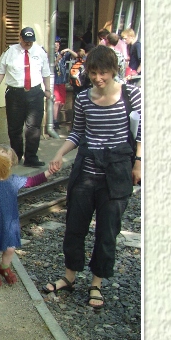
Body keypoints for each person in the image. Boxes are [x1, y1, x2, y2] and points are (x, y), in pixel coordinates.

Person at [43, 45, 142, 309]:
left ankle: (96, 284)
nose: (98, 78)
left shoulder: (131, 94)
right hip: (86, 170)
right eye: (94, 73)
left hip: (118, 170)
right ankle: (69, 277)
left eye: (104, 73)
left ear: (114, 71)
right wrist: (59, 154)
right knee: (75, 227)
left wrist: (139, 163)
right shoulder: (85, 98)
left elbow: (142, 130)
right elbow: (78, 133)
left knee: (107, 231)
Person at [0, 144, 55, 286]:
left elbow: (32, 181)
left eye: (6, 161)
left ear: (11, 164)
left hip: (10, 221)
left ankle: (4, 268)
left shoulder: (14, 180)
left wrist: (48, 173)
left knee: (10, 248)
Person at [0, 27, 53, 167]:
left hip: (35, 93)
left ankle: (31, 157)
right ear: (20, 38)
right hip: (14, 94)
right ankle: (16, 156)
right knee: (14, 128)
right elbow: (0, 70)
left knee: (33, 127)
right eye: (26, 41)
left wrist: (48, 89)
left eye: (30, 42)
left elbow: (46, 72)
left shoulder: (40, 52)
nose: (28, 44)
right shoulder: (10, 51)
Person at [53, 38, 73, 130]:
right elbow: (51, 67)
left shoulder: (63, 55)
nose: (56, 46)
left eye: (58, 45)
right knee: (56, 102)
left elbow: (76, 56)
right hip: (55, 82)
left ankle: (55, 118)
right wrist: (57, 60)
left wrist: (68, 50)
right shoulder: (50, 55)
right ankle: (54, 120)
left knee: (61, 103)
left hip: (62, 81)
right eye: (55, 45)